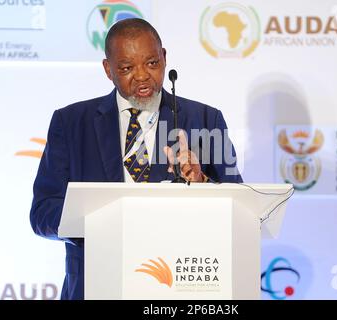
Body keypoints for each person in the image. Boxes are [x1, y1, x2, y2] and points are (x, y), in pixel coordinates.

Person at [30, 18, 242, 300]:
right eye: (127, 68)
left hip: (175, 286)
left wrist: (202, 182)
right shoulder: (70, 123)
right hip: (96, 284)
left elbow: (241, 208)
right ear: (108, 69)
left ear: (164, 58)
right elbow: (42, 213)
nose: (142, 76)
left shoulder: (204, 119)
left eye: (152, 63)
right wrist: (95, 219)